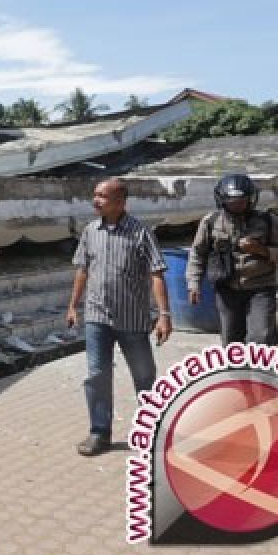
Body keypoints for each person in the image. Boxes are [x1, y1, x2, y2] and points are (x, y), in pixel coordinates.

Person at [66, 178, 171, 457]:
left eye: (102, 196)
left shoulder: (140, 232)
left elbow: (156, 273)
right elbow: (83, 270)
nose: (95, 200)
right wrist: (72, 306)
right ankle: (99, 432)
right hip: (97, 316)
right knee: (97, 374)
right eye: (95, 194)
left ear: (120, 201)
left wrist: (164, 315)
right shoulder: (90, 231)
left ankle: (152, 429)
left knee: (144, 376)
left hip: (132, 320)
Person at [187, 173, 278, 346]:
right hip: (226, 290)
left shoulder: (267, 221)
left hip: (260, 288)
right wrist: (194, 284)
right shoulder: (210, 222)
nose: (238, 205)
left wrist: (261, 250)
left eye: (242, 201)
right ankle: (237, 373)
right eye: (232, 202)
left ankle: (262, 372)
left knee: (261, 338)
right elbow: (198, 254)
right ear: (222, 200)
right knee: (231, 343)